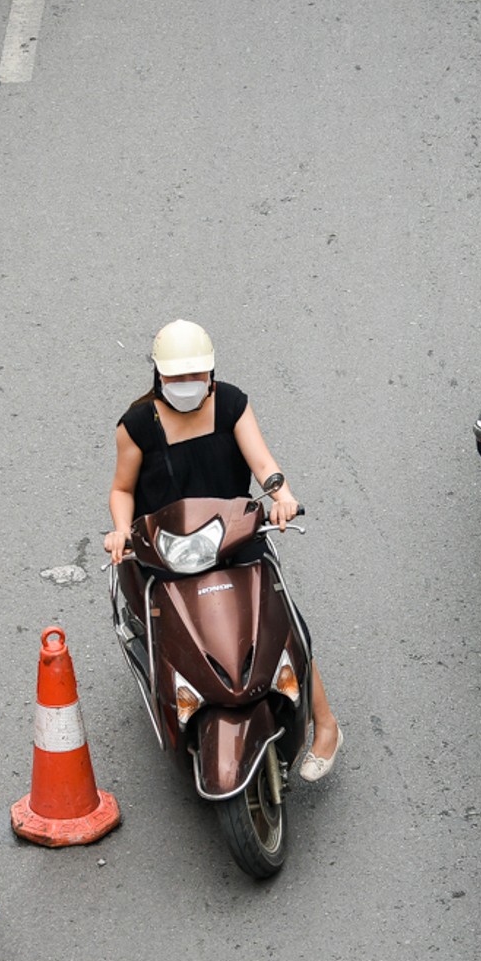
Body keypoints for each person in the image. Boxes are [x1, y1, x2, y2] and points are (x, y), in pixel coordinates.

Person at [106, 320, 344, 782]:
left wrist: (281, 497)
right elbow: (121, 489)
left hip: (234, 539)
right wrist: (120, 531)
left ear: (211, 373)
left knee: (286, 624)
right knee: (168, 633)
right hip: (168, 550)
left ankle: (327, 726)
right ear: (158, 376)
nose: (185, 386)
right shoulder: (136, 425)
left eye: (193, 376)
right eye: (175, 378)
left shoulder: (232, 404)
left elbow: (263, 464)